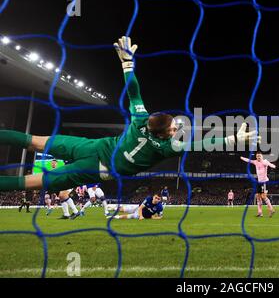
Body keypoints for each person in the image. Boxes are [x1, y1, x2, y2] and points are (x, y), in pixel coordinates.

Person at [0, 36, 260, 194]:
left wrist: (127, 64)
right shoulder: (166, 148)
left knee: (35, 140)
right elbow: (203, 144)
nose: (175, 130)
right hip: (99, 166)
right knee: (34, 181)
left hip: (94, 147)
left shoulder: (140, 121)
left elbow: (134, 93)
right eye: (172, 128)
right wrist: (232, 139)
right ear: (163, 133)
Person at [240, 151, 276, 217]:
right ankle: (260, 212)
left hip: (264, 182)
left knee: (263, 196)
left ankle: (271, 209)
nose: (258, 157)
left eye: (259, 156)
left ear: (262, 156)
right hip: (259, 182)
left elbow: (270, 164)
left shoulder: (265, 162)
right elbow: (249, 160)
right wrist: (242, 158)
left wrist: (273, 166)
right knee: (257, 196)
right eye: (257, 156)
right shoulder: (255, 162)